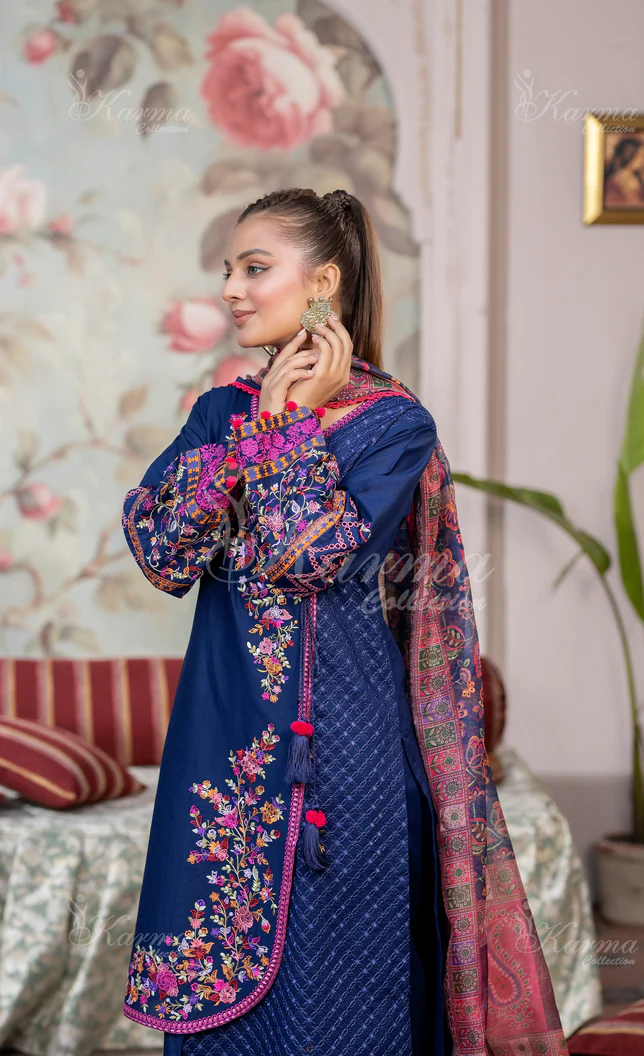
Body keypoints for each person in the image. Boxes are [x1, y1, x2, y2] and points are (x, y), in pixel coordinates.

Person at [121, 187, 567, 1056]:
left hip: (350, 752)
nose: (231, 289)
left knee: (348, 993)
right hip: (227, 742)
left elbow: (307, 555)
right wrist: (258, 428)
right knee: (223, 992)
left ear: (323, 282)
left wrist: (285, 426)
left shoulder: (393, 426)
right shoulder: (219, 413)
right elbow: (161, 550)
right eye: (228, 270)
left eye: (255, 268)